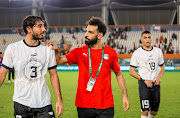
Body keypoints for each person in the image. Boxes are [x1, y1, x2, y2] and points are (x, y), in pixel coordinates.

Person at [46, 16, 130, 118]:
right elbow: (59, 61)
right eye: (86, 31)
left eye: (90, 32)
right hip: (84, 105)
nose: (86, 35)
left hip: (106, 105)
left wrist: (125, 95)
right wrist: (56, 51)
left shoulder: (111, 53)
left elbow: (119, 74)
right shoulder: (79, 52)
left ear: (100, 35)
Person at [0, 15, 64, 118]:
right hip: (21, 102)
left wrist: (59, 100)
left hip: (44, 102)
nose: (43, 29)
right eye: (39, 26)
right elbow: (2, 74)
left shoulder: (48, 49)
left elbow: (53, 76)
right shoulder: (13, 48)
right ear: (28, 29)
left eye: (43, 26)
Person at [129, 30, 165, 118]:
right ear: (141, 39)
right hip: (144, 84)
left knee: (154, 112)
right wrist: (144, 80)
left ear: (151, 39)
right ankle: (144, 109)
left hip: (155, 84)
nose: (147, 39)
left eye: (149, 37)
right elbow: (131, 71)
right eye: (145, 38)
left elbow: (162, 67)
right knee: (145, 111)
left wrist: (159, 76)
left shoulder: (158, 51)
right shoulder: (137, 53)